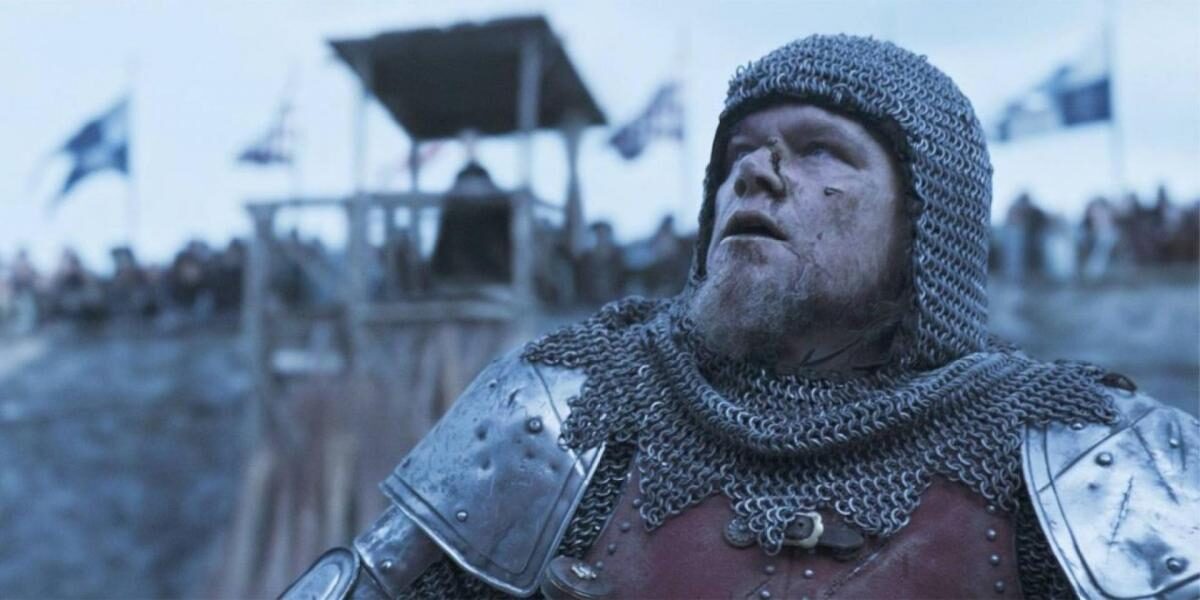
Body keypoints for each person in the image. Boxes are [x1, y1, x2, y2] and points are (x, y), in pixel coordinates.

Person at [283, 35, 1197, 599]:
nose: (756, 174)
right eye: (741, 156)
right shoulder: (566, 410)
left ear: (927, 220)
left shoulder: (1085, 453)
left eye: (820, 150)